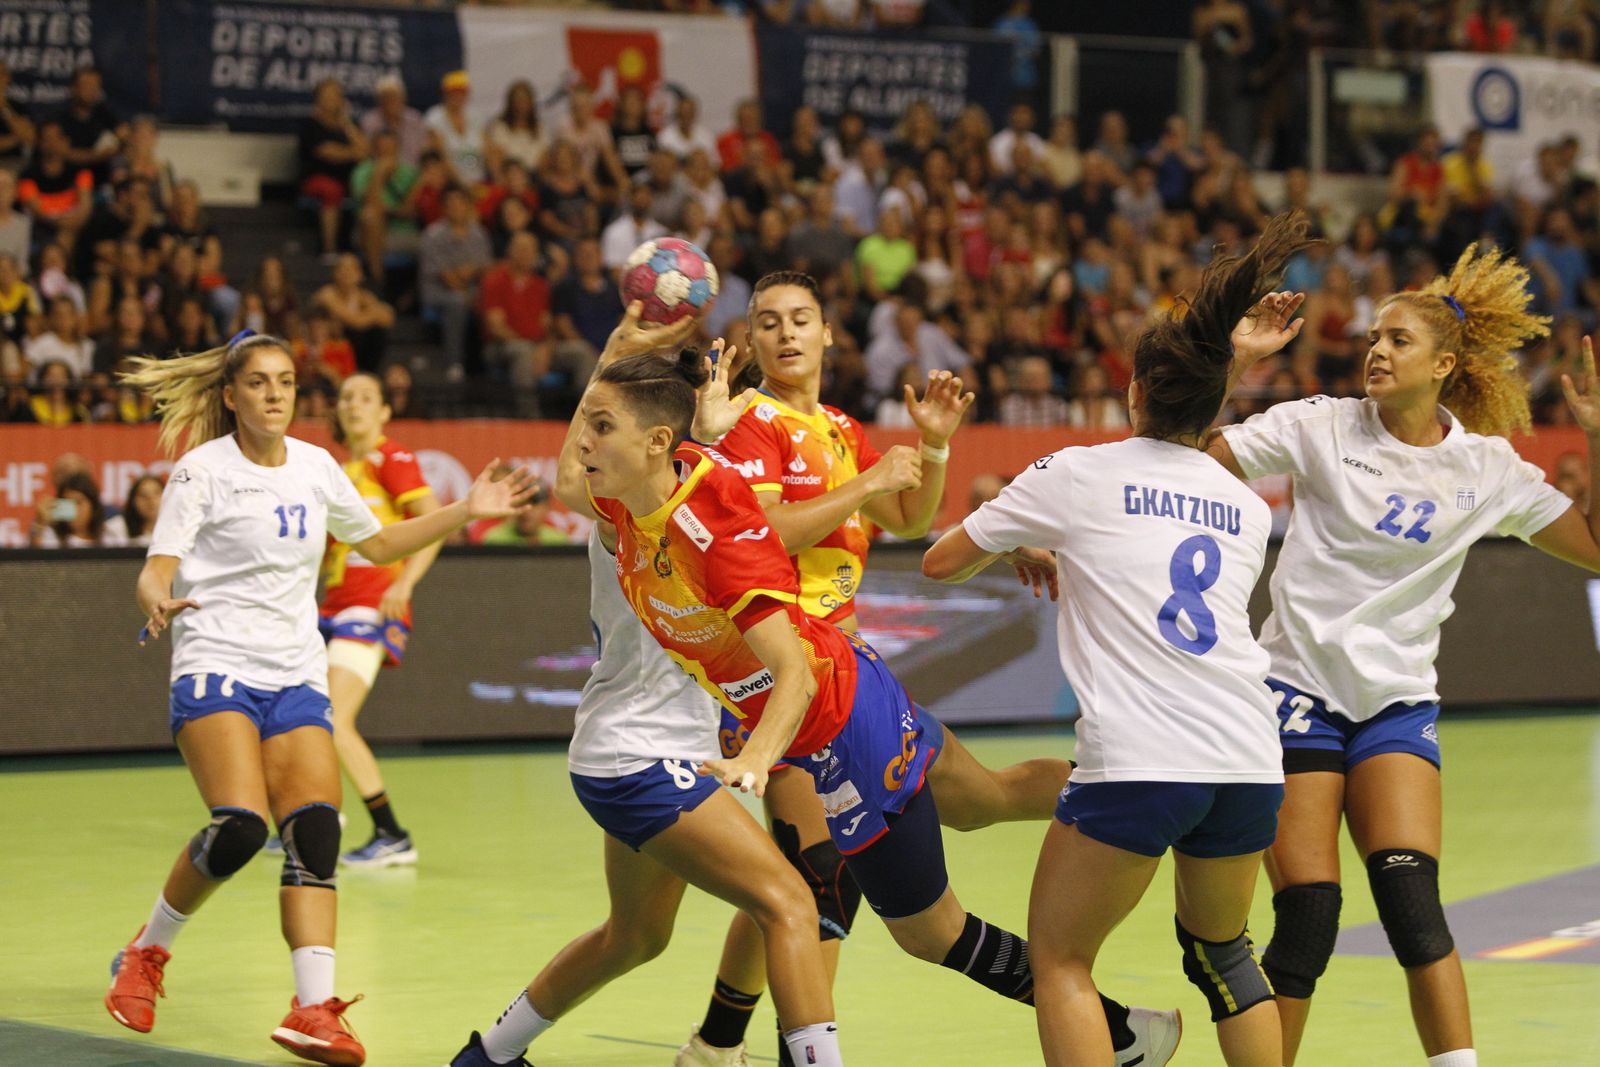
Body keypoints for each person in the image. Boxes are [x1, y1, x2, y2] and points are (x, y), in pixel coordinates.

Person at [560, 319, 1177, 1067]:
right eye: (767, 320)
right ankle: (724, 1037)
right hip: (808, 685)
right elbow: (713, 510)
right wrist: (675, 405)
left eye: (798, 319)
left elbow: (888, 521)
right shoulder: (717, 444)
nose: (783, 333)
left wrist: (930, 459)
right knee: (940, 823)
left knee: (878, 909)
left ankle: (1116, 997)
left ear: (827, 334)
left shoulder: (829, 435)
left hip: (822, 703)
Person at [924, 213, 1317, 1067]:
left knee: (1061, 958)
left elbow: (940, 562)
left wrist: (1024, 535)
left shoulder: (1078, 472)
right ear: (1216, 401)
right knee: (1227, 954)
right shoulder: (1246, 505)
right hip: (1248, 755)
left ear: (1132, 392)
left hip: (1141, 756)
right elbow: (1183, 456)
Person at [1207, 242, 1600, 1067]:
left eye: (1397, 339)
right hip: (1297, 694)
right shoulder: (1320, 425)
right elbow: (1192, 454)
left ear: (1445, 364)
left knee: (1413, 906)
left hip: (1394, 703)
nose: (1375, 350)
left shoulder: (1486, 467)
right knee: (1310, 915)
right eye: (1373, 337)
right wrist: (1236, 360)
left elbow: (1594, 547)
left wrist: (1597, 439)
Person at [104, 332, 535, 1065]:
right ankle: (146, 953)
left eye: (286, 382)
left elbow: (382, 545)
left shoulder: (317, 466)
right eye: (260, 382)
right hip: (217, 665)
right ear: (232, 395)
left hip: (295, 672)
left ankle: (312, 1009)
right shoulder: (201, 471)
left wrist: (468, 508)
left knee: (315, 833)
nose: (275, 393)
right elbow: (159, 567)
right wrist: (156, 600)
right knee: (239, 826)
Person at [445, 309, 849, 1067]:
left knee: (635, 936)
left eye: (605, 426)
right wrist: (618, 359)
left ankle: (488, 1056)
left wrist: (666, 388)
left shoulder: (686, 488)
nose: (590, 444)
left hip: (636, 749)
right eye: (592, 426)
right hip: (642, 756)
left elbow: (607, 473)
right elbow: (586, 471)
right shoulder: (639, 505)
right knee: (792, 901)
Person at [320, 371, 441, 866]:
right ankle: (318, 815)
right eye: (346, 396)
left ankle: (392, 834)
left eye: (366, 398)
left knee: (332, 719)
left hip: (370, 606)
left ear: (385, 412)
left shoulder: (391, 459)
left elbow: (433, 524)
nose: (354, 405)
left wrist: (403, 584)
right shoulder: (333, 468)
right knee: (298, 715)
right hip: (327, 608)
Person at [104, 473, 165, 547]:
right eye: (143, 495)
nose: (151, 500)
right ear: (133, 501)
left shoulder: (179, 528)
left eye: (157, 494)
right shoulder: (116, 528)